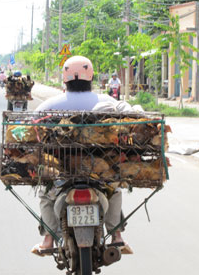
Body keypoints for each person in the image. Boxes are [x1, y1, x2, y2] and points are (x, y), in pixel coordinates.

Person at [32, 55, 133, 256]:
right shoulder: (107, 101)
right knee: (114, 191)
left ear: (65, 79)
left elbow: (33, 126)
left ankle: (47, 239)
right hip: (100, 169)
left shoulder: (50, 104)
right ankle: (117, 238)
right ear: (91, 78)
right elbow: (130, 117)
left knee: (46, 194)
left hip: (63, 168)